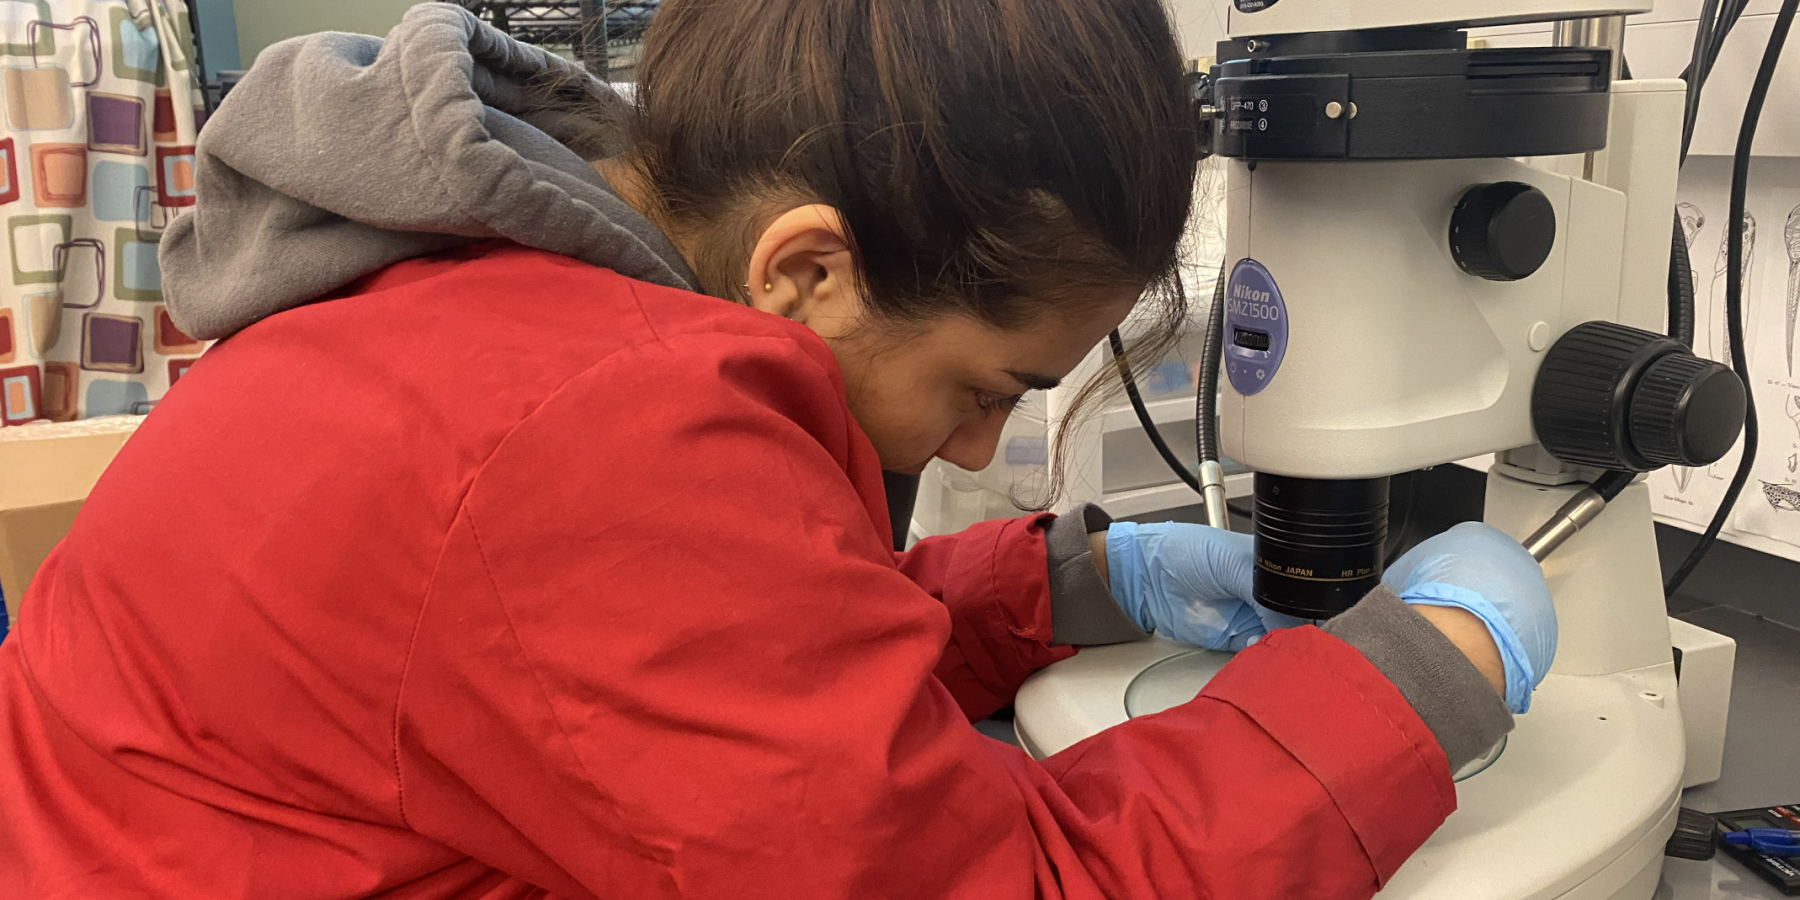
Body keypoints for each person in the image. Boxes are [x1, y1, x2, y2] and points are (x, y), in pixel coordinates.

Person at [0, 2, 1556, 897]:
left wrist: (1068, 584)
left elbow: (692, 680)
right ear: (809, 270)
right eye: (985, 382)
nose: (981, 440)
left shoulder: (473, 303)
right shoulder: (597, 427)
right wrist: (1419, 679)